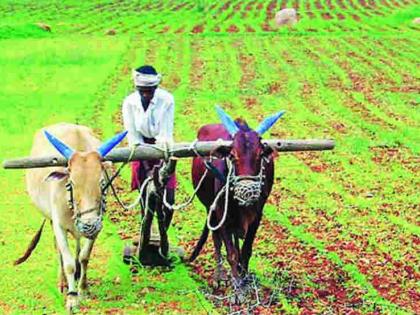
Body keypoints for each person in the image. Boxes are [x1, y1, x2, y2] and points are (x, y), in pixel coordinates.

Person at [122, 65, 176, 229]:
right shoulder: (130, 103)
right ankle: (146, 230)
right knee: (145, 197)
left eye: (150, 90)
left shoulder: (167, 100)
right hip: (140, 148)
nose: (146, 94)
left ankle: (163, 232)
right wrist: (146, 165)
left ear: (156, 87)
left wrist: (161, 167)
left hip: (162, 149)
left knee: (169, 200)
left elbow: (165, 134)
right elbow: (133, 134)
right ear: (137, 88)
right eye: (142, 90)